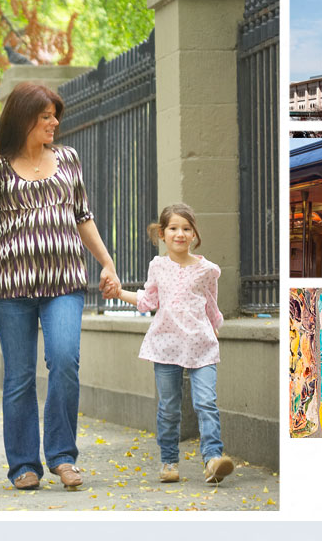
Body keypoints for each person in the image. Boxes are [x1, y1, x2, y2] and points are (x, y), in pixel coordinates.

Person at [0, 83, 120, 491]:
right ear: (24, 118)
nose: (54, 122)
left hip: (64, 283)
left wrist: (107, 263)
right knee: (19, 376)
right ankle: (22, 464)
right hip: (10, 286)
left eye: (55, 115)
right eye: (46, 116)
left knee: (64, 360)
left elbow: (83, 216)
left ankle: (62, 456)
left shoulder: (68, 159)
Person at [112, 203, 234, 485]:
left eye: (186, 228)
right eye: (173, 228)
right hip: (166, 345)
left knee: (206, 403)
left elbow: (212, 306)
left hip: (201, 345)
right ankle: (169, 462)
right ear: (162, 234)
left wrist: (215, 330)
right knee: (169, 407)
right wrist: (119, 292)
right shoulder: (158, 266)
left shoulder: (207, 270)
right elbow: (149, 301)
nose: (180, 233)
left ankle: (213, 459)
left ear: (194, 235)